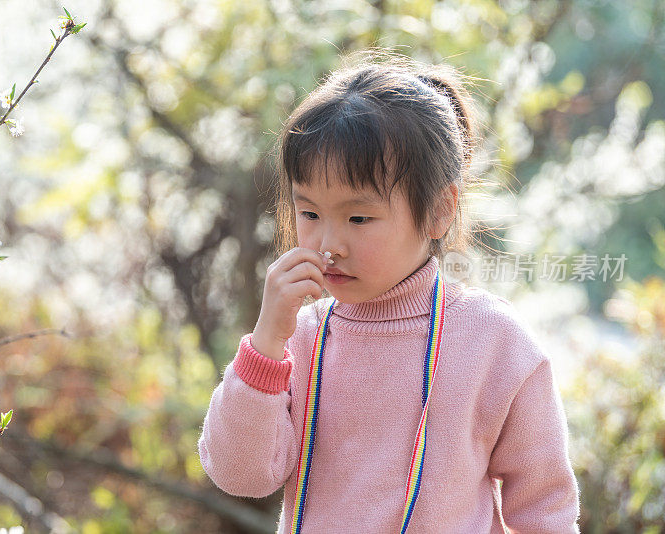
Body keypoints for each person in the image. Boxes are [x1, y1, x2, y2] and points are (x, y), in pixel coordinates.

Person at [197, 51, 580, 533]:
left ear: (441, 209)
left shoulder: (494, 343)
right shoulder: (300, 337)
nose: (328, 244)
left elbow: (544, 511)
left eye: (359, 218)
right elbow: (240, 476)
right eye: (310, 213)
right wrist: (266, 344)